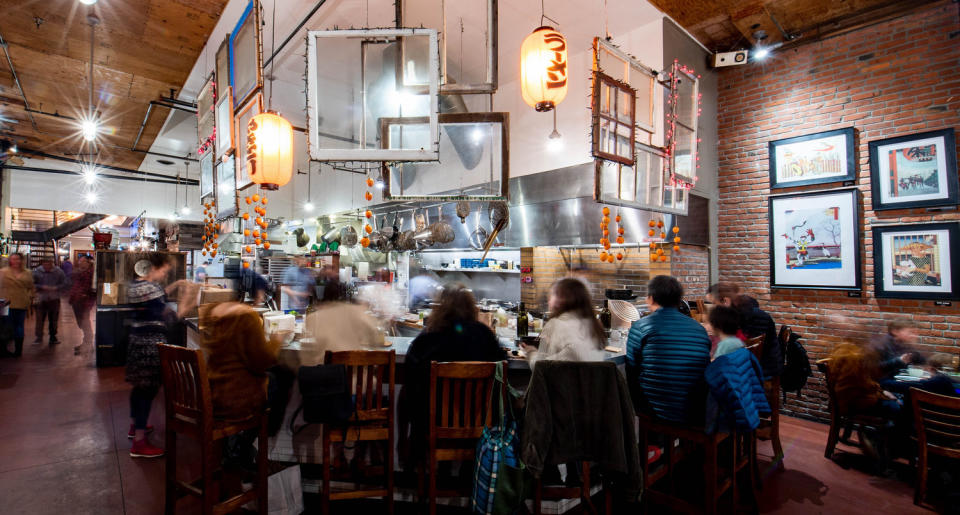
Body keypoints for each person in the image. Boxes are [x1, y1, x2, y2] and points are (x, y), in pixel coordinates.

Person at [399, 284, 506, 469]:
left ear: (441, 306)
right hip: (478, 423)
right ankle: (469, 472)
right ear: (472, 307)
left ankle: (405, 449)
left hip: (432, 421)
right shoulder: (484, 335)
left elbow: (410, 372)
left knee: (407, 391)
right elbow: (503, 368)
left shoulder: (428, 337)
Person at [626, 275, 711, 424]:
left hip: (658, 409)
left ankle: (643, 441)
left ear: (651, 298)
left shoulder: (641, 326)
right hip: (697, 406)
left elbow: (632, 369)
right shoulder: (699, 328)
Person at [125, 255, 173, 458]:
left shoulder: (135, 286)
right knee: (148, 391)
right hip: (150, 345)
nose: (164, 276)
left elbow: (155, 303)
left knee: (139, 389)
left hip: (137, 341)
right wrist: (189, 297)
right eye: (164, 271)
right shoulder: (153, 289)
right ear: (153, 268)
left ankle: (136, 425)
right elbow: (168, 315)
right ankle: (139, 442)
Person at [521, 278, 606, 368]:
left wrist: (530, 353)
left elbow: (539, 367)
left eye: (551, 296)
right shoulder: (595, 326)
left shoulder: (555, 324)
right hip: (592, 382)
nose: (549, 301)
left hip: (562, 381)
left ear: (561, 300)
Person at [732, 294, 781, 378]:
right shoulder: (756, 315)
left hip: (764, 366)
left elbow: (750, 345)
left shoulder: (755, 317)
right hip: (769, 362)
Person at [868, 319, 923, 386]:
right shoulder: (880, 344)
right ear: (895, 331)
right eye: (911, 332)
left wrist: (914, 348)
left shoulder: (904, 343)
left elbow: (921, 362)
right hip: (881, 383)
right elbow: (873, 369)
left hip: (897, 379)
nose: (915, 336)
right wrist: (898, 361)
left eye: (916, 333)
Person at [0, 253, 35, 357]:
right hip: (6, 303)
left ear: (21, 260)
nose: (15, 261)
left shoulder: (27, 272)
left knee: (19, 326)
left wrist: (30, 297)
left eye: (17, 259)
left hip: (21, 302)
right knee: (6, 326)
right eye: (13, 259)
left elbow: (31, 287)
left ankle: (18, 350)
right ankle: (4, 349)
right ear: (10, 261)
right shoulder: (3, 272)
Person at [33, 258, 67, 345]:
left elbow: (65, 283)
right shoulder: (37, 271)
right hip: (41, 298)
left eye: (49, 264)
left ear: (52, 263)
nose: (47, 266)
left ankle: (53, 337)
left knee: (53, 319)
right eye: (45, 264)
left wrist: (56, 288)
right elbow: (32, 283)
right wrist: (41, 287)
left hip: (54, 298)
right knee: (40, 319)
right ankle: (39, 337)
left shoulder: (59, 272)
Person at [68, 255, 96, 355]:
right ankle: (86, 343)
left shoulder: (90, 273)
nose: (80, 263)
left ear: (88, 262)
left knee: (85, 323)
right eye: (80, 261)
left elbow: (91, 288)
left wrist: (83, 295)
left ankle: (88, 344)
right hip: (77, 300)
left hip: (84, 302)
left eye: (82, 261)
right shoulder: (81, 271)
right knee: (82, 323)